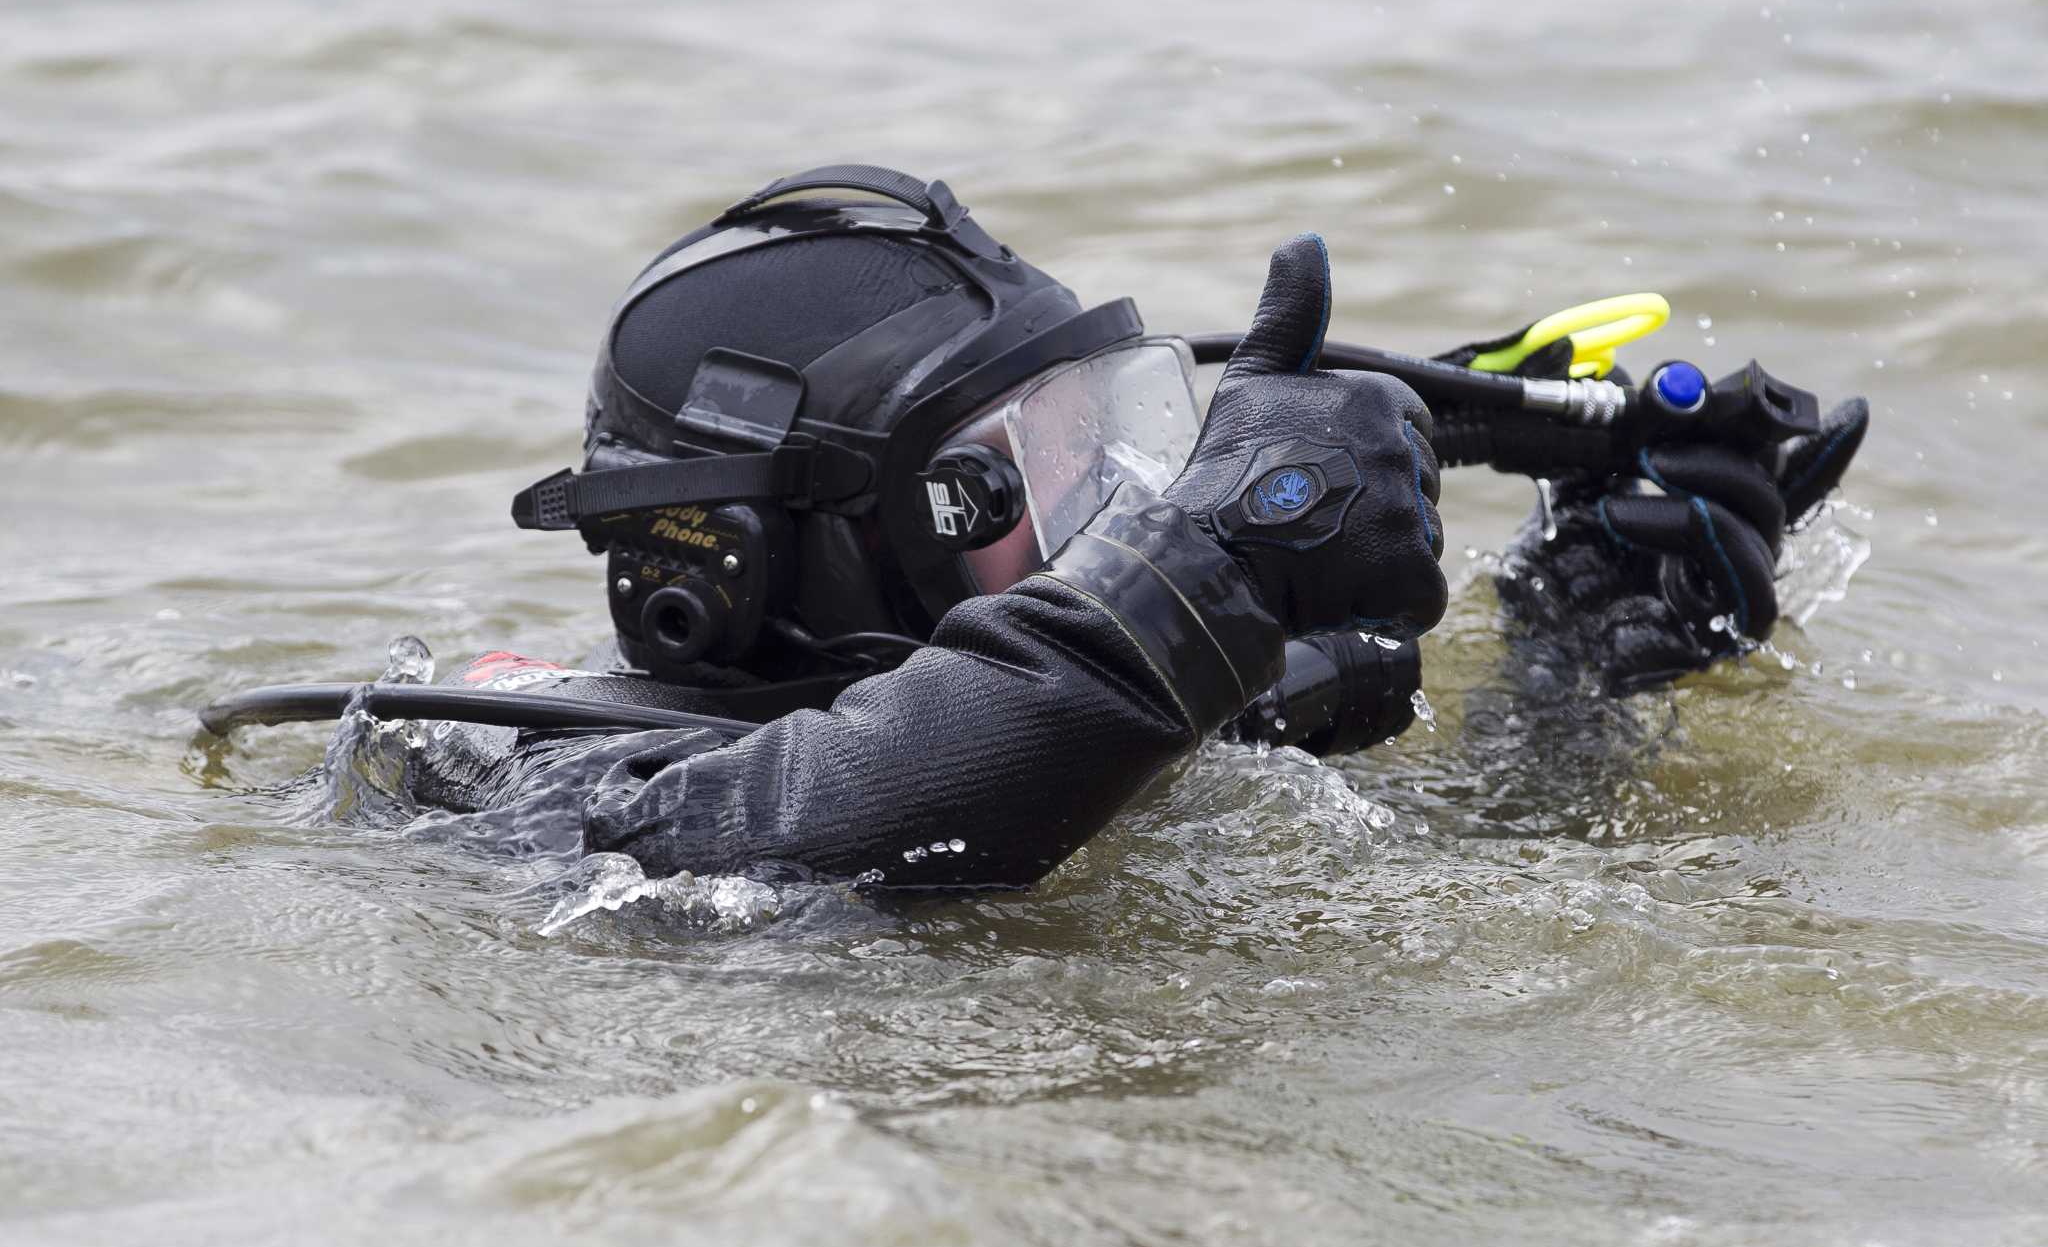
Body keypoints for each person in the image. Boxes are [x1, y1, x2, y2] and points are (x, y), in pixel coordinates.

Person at [342, 164, 1865, 890]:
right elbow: (806, 833)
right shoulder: (518, 771)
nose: (1113, 507)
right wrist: (1229, 549)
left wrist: (1577, 663)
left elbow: (1505, 888)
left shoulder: (1068, 725)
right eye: (1009, 475)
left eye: (1111, 435)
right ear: (731, 575)